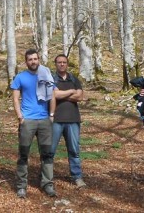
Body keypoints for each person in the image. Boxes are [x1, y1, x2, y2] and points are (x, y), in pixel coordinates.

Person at [11, 49, 57, 198]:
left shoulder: (46, 75)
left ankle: (47, 184)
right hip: (28, 120)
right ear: (26, 62)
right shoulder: (20, 77)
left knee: (47, 154)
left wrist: (51, 115)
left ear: (39, 60)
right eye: (30, 59)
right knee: (24, 153)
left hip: (44, 120)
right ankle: (21, 186)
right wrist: (20, 116)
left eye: (35, 59)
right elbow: (15, 98)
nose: (33, 61)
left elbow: (52, 95)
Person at [50, 54, 87, 189]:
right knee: (50, 150)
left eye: (64, 62)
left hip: (73, 119)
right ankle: (47, 177)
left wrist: (63, 94)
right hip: (56, 120)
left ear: (67, 64)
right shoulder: (52, 79)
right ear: (56, 64)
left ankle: (77, 177)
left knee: (74, 150)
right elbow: (53, 94)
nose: (61, 64)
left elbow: (80, 97)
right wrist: (71, 92)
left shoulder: (74, 79)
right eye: (59, 62)